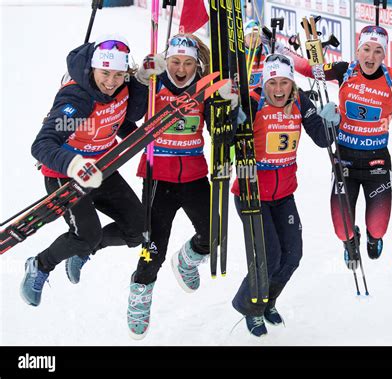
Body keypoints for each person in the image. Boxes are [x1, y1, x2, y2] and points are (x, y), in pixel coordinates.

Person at [268, 25, 392, 268]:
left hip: (377, 162)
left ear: (384, 54)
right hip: (345, 159)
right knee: (342, 229)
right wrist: (281, 50)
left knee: (378, 227)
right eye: (366, 49)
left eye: (377, 51)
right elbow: (310, 70)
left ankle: (373, 239)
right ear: (358, 50)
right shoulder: (345, 70)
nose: (370, 57)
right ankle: (350, 241)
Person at [21, 34, 158, 307]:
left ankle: (84, 250)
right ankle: (41, 265)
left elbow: (128, 117)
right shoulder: (77, 98)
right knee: (86, 234)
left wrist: (142, 81)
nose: (111, 82)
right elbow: (42, 144)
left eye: (119, 75)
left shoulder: (124, 86)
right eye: (105, 73)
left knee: (138, 229)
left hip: (103, 169)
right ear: (93, 69)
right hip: (66, 174)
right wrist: (74, 164)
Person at [126, 33, 238, 339]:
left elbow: (219, 131)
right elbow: (133, 115)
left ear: (195, 64)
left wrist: (228, 108)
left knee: (213, 235)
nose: (181, 68)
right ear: (167, 61)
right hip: (157, 177)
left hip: (193, 176)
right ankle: (140, 293)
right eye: (175, 61)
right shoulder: (154, 86)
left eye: (188, 63)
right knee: (153, 249)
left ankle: (187, 260)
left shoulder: (204, 89)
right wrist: (139, 80)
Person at [231, 53, 340, 337]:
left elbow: (322, 139)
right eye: (273, 83)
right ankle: (250, 306)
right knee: (269, 256)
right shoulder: (253, 101)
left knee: (292, 255)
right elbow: (226, 140)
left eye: (285, 83)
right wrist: (231, 120)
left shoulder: (301, 101)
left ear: (293, 83)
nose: (279, 90)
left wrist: (331, 121)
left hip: (284, 194)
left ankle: (267, 301)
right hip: (251, 192)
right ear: (264, 82)